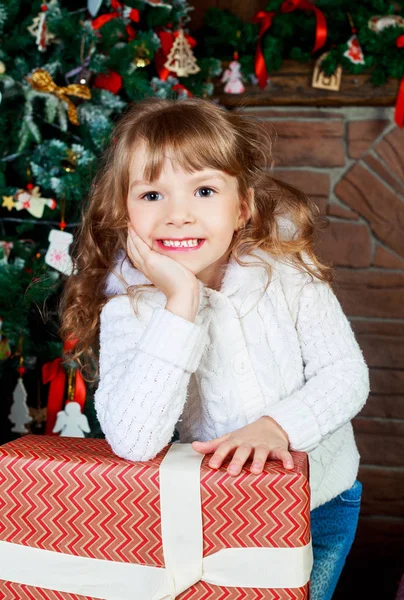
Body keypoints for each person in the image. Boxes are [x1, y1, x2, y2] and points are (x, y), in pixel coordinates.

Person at [59, 96, 370, 600]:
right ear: (123, 210)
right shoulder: (132, 310)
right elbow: (134, 441)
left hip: (321, 501)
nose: (178, 216)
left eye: (203, 190)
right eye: (152, 195)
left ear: (242, 205)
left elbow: (346, 375)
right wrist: (180, 302)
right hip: (214, 513)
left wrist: (278, 427)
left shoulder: (288, 273)